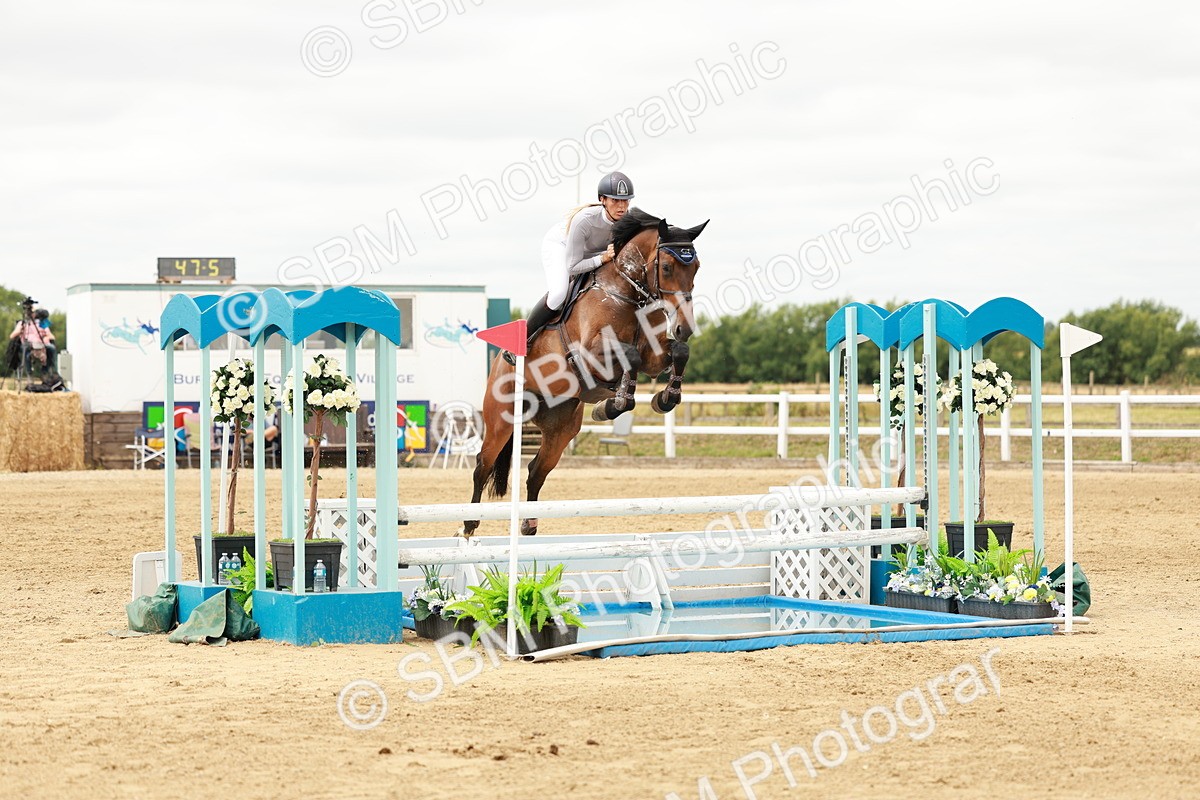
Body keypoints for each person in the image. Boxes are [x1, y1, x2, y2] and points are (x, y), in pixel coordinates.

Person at [507, 171, 634, 364]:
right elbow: (573, 266)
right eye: (616, 200)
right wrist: (602, 258)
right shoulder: (584, 220)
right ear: (603, 200)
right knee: (559, 293)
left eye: (626, 201)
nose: (622, 206)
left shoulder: (628, 221)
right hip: (561, 247)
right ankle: (522, 339)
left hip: (591, 253)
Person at [9, 306, 56, 374]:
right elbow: (12, 336)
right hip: (28, 345)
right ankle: (29, 373)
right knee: (26, 350)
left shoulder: (41, 323)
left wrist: (46, 338)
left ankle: (47, 371)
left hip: (41, 344)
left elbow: (51, 336)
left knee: (52, 348)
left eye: (32, 312)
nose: (30, 314)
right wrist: (20, 331)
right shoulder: (22, 323)